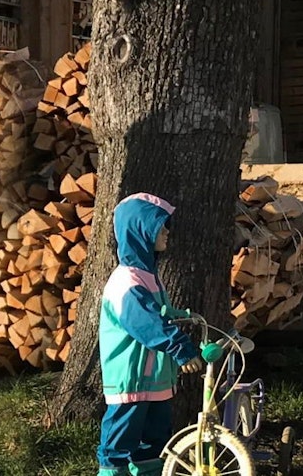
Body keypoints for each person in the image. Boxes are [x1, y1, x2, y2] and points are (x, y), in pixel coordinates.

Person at [96, 192, 204, 476]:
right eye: (160, 227)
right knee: (120, 440)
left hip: (152, 377)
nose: (167, 232)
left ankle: (148, 471)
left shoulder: (147, 276)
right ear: (141, 230)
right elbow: (147, 324)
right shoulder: (126, 282)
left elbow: (159, 311)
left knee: (155, 438)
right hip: (131, 378)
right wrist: (182, 349)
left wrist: (182, 315)